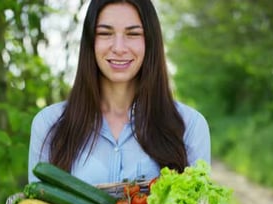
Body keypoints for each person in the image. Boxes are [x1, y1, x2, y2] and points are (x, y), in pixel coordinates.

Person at [28, 0, 210, 185]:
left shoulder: (190, 127)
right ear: (91, 41)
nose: (119, 48)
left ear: (150, 41)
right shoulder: (49, 125)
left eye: (133, 34)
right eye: (105, 33)